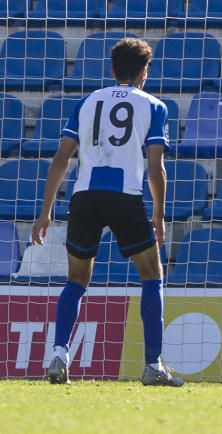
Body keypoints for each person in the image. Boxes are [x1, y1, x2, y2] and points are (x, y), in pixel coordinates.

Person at [31, 38, 181, 386]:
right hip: (124, 195)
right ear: (145, 71)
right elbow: (155, 168)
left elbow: (61, 159)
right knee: (151, 274)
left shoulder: (86, 102)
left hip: (84, 196)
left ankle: (59, 354)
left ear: (113, 70)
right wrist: (158, 213)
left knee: (76, 280)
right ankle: (152, 364)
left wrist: (45, 212)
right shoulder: (154, 106)